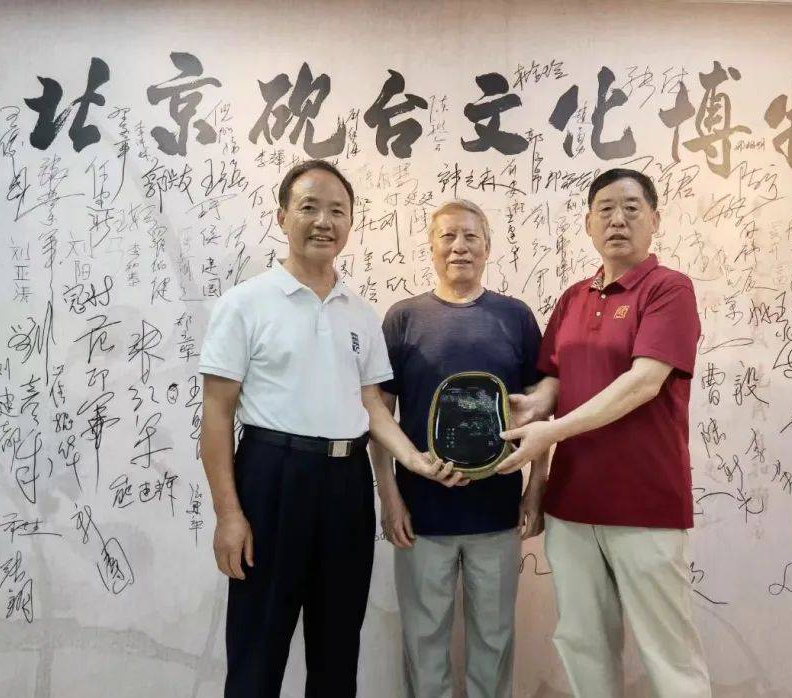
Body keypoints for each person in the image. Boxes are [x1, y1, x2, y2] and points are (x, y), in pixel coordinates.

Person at [198, 159, 463, 698]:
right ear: (282, 217)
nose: (324, 221)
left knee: (338, 648)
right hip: (271, 478)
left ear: (350, 223)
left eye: (337, 211)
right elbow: (217, 414)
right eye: (310, 208)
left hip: (346, 485)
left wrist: (413, 459)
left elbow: (370, 404)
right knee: (258, 647)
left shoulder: (360, 313)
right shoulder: (245, 303)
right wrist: (229, 514)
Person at [498, 169, 711, 697]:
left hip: (646, 504)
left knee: (668, 654)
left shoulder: (669, 288)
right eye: (606, 209)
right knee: (583, 644)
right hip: (572, 505)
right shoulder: (573, 297)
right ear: (589, 224)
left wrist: (553, 430)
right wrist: (536, 408)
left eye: (632, 208)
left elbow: (643, 382)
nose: (618, 219)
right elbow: (554, 376)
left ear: (655, 220)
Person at [372, 199, 546, 698]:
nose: (459, 247)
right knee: (423, 642)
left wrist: (536, 487)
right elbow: (378, 416)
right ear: (431, 247)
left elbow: (539, 410)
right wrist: (390, 496)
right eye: (447, 236)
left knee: (494, 641)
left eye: (471, 236)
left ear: (488, 247)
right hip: (421, 515)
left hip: (497, 512)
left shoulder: (515, 317)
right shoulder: (403, 319)